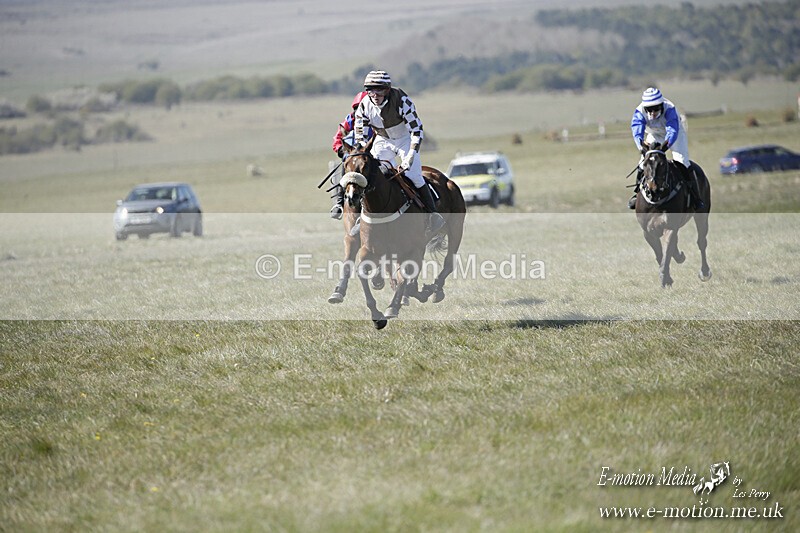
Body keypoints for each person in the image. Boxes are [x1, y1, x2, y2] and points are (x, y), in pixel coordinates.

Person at [354, 70, 444, 235]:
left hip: (404, 139)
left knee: (414, 175)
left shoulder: (402, 100)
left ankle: (433, 214)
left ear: (387, 89)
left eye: (379, 90)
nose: (375, 95)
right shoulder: (364, 106)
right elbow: (360, 137)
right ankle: (362, 217)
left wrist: (411, 155)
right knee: (372, 176)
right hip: (382, 140)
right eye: (371, 90)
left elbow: (416, 130)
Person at [629, 87, 704, 210]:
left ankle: (695, 196)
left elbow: (672, 130)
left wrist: (665, 146)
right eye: (649, 109)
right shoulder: (639, 111)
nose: (653, 112)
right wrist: (642, 146)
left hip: (675, 135)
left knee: (682, 161)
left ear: (661, 105)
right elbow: (637, 131)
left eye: (656, 109)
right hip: (655, 135)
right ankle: (637, 193)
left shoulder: (670, 108)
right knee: (643, 163)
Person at [329, 91, 369, 219]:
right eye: (358, 108)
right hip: (353, 154)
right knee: (344, 165)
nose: (360, 111)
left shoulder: (377, 120)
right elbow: (337, 139)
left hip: (372, 155)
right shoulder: (349, 121)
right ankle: (339, 202)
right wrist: (343, 151)